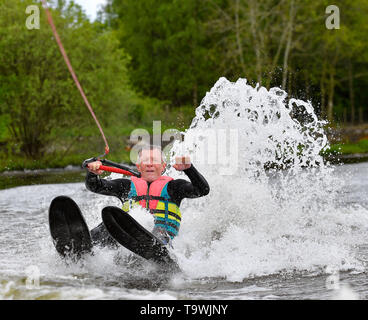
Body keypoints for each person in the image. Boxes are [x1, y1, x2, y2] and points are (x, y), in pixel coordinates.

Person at [85, 145, 210, 248]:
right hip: (128, 239)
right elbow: (95, 186)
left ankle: (157, 249)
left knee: (159, 232)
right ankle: (86, 245)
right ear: (139, 167)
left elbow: (202, 190)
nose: (150, 164)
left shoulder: (174, 187)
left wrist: (189, 169)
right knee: (110, 224)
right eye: (145, 161)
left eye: (154, 160)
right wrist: (92, 173)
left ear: (163, 166)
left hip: (162, 240)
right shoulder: (126, 186)